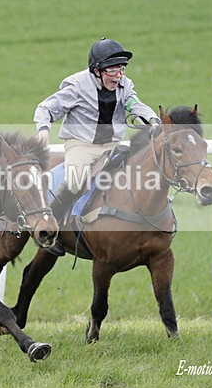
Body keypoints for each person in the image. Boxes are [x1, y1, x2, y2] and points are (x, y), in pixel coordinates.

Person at [34, 38, 159, 255]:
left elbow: (134, 104)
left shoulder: (124, 85)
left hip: (111, 145)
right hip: (81, 145)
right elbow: (46, 109)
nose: (118, 75)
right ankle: (48, 231)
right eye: (112, 70)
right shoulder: (76, 86)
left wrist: (153, 120)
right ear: (96, 70)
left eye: (121, 69)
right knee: (75, 180)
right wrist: (43, 130)